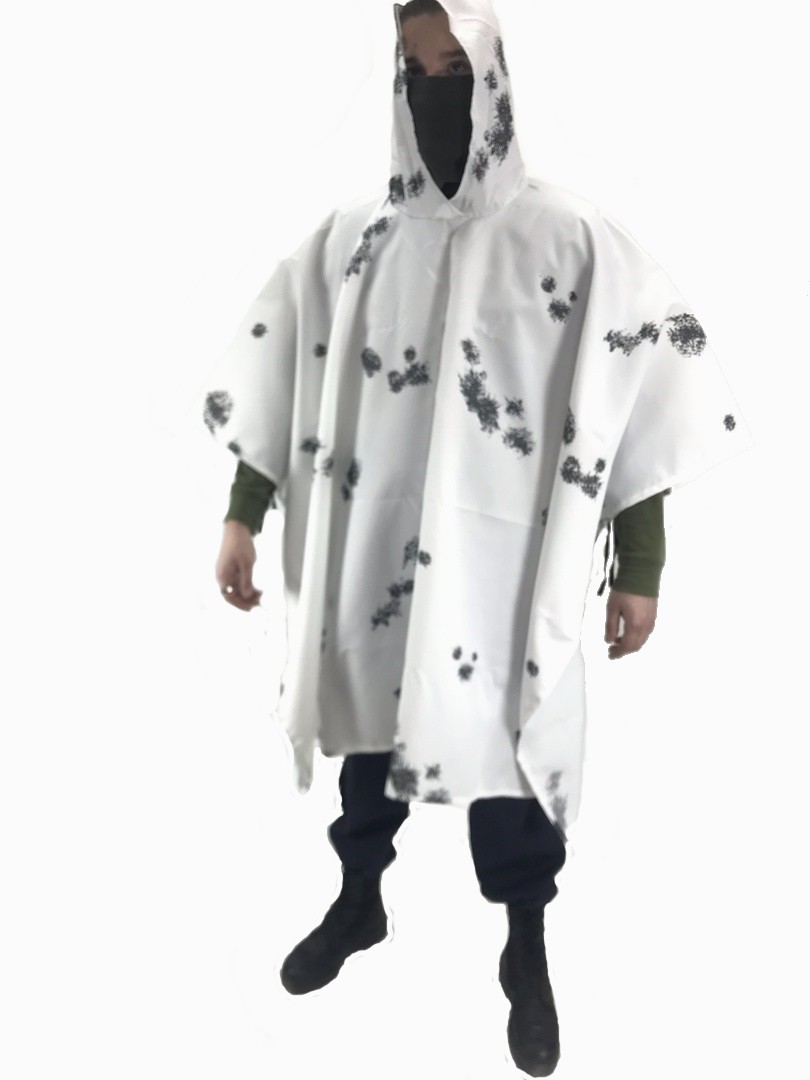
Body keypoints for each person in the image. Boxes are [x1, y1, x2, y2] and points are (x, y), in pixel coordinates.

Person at [202, 1, 753, 1075]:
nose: (435, 89)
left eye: (455, 65)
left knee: (507, 735)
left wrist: (639, 567)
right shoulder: (354, 242)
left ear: (495, 74)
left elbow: (631, 399)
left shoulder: (572, 243)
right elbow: (282, 371)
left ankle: (525, 943)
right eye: (416, 69)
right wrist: (242, 509)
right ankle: (359, 897)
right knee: (371, 723)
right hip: (374, 555)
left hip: (507, 568)